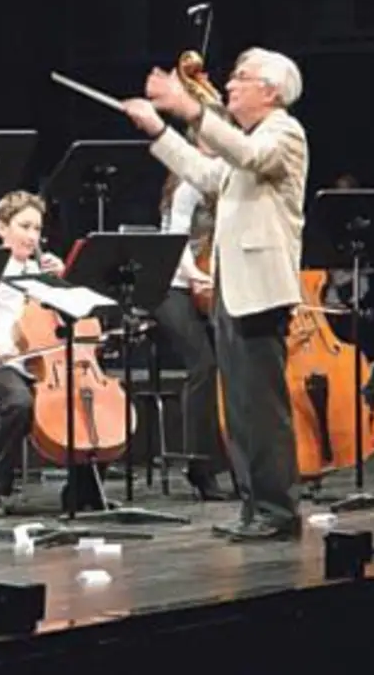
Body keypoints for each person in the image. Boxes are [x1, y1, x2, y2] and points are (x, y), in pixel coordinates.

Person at [122, 46, 309, 541]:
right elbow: (208, 175)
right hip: (232, 287)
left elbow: (244, 155)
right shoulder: (245, 139)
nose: (229, 86)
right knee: (243, 409)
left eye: (240, 79)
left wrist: (188, 109)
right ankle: (256, 507)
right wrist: (159, 131)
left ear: (270, 91)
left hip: (261, 289)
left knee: (262, 407)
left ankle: (279, 510)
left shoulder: (283, 133)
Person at [0, 190, 106, 516]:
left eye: (37, 229)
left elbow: (72, 322)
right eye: (24, 226)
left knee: (87, 400)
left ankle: (83, 491)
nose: (32, 236)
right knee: (18, 403)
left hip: (47, 363)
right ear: (1, 228)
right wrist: (2, 348)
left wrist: (61, 283)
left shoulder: (44, 272)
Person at [153, 141, 228, 501]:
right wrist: (195, 276)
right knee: (203, 366)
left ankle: (235, 460)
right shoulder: (187, 186)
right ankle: (199, 466)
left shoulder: (225, 182)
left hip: (209, 282)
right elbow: (175, 241)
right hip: (171, 285)